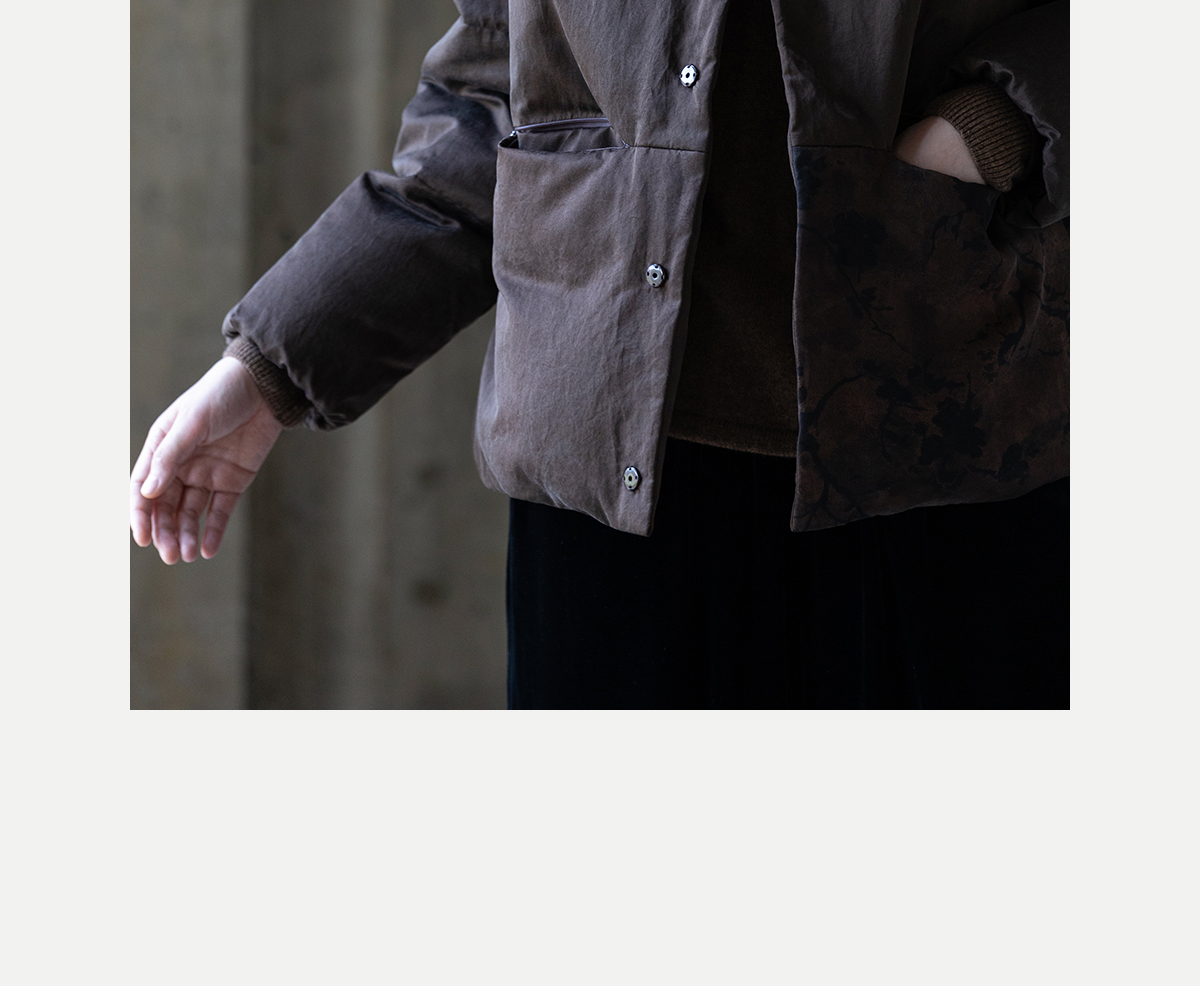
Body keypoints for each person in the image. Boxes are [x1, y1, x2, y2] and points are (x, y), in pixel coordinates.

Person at [131, 0, 1069, 709]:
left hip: (946, 453)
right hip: (608, 490)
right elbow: (491, 107)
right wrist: (268, 370)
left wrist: (994, 127)